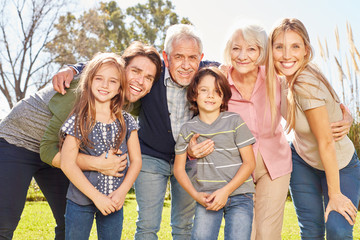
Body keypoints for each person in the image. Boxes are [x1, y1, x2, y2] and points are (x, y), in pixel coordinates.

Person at [57, 24, 215, 239]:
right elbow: (108, 67)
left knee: (184, 226)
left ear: (200, 58)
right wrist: (74, 68)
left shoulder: (205, 75)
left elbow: (232, 68)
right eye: (179, 57)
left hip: (188, 159)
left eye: (193, 58)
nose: (186, 65)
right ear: (167, 58)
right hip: (152, 157)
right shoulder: (152, 71)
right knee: (147, 226)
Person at [0, 41, 161, 240]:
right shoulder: (85, 91)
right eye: (135, 71)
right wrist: (98, 164)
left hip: (62, 153)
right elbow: (47, 150)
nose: (140, 81)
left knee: (69, 222)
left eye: (148, 77)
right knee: (4, 221)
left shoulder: (128, 103)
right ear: (120, 68)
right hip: (19, 139)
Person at [266, 18, 360, 239]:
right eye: (279, 47)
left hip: (340, 164)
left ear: (306, 50)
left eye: (295, 46)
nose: (287, 55)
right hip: (302, 161)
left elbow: (326, 141)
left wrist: (334, 193)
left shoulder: (306, 82)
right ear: (270, 50)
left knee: (338, 230)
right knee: (311, 232)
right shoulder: (280, 80)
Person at [59, 52, 142, 239]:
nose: (105, 85)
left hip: (114, 202)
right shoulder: (79, 120)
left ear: (120, 88)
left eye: (113, 81)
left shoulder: (127, 121)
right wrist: (97, 197)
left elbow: (136, 161)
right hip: (80, 201)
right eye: (99, 78)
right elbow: (67, 163)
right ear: (89, 81)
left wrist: (121, 193)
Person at [174, 67, 256, 240]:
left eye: (217, 91)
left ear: (223, 97)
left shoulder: (235, 121)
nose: (211, 95)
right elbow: (178, 170)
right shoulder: (187, 129)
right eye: (204, 90)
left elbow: (250, 163)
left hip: (241, 195)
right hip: (207, 197)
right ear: (194, 95)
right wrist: (196, 195)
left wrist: (225, 191)